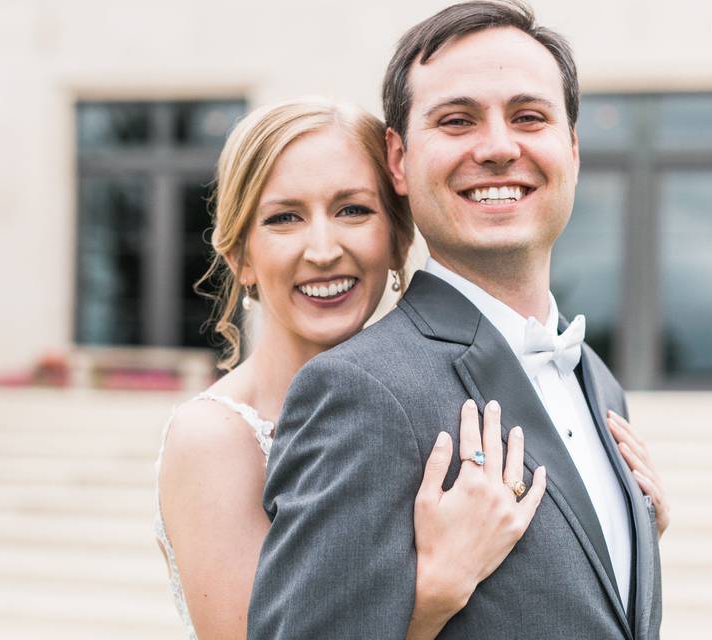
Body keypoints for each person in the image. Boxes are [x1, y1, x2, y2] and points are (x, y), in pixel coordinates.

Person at [248, 2, 667, 640]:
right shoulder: (358, 391)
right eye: (457, 119)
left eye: (529, 117)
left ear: (573, 150)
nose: (499, 147)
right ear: (398, 159)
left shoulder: (599, 381)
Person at [155, 99, 553, 640]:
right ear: (241, 257)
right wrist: (433, 595)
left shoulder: (426, 397)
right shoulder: (215, 440)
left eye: (352, 211)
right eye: (284, 218)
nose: (322, 250)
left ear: (397, 239)